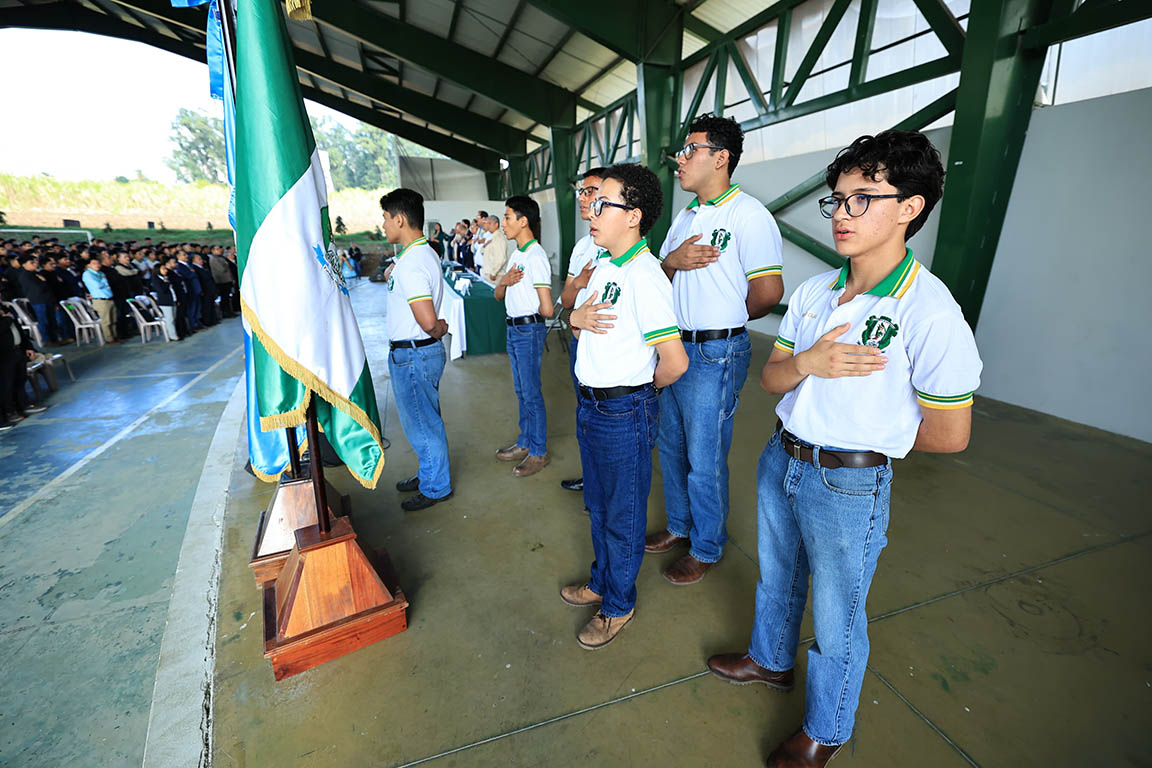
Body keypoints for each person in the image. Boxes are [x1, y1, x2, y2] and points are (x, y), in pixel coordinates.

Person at [706, 130, 983, 767]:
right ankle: (769, 660)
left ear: (910, 207)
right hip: (783, 457)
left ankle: (825, 731)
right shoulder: (814, 293)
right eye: (837, 199)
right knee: (778, 574)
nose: (842, 214)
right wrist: (809, 362)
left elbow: (950, 433)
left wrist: (868, 430)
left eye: (863, 198)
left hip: (847, 483)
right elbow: (771, 379)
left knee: (838, 616)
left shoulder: (929, 312)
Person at [647, 113, 785, 586]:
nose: (681, 160)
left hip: (714, 354)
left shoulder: (748, 215)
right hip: (674, 349)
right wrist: (672, 260)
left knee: (704, 458)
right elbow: (658, 280)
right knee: (670, 444)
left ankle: (706, 545)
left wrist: (722, 322)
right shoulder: (685, 217)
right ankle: (679, 525)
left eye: (691, 150)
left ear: (721, 158)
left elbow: (767, 293)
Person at [560, 163, 688, 649]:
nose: (591, 211)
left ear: (633, 216)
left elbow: (674, 362)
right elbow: (579, 327)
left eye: (603, 204)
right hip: (591, 405)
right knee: (598, 506)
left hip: (621, 411)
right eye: (592, 202)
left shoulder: (644, 276)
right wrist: (575, 317)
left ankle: (618, 605)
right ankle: (601, 582)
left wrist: (638, 394)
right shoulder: (605, 267)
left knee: (623, 515)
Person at [380, 189, 453, 512]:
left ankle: (436, 486)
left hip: (414, 354)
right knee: (423, 421)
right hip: (415, 353)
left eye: (386, 218)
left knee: (423, 424)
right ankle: (429, 473)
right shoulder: (418, 255)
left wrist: (440, 329)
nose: (383, 225)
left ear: (399, 219)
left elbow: (427, 321)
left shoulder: (412, 263)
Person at [557, 166, 609, 495]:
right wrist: (578, 282)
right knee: (586, 415)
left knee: (607, 420)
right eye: (581, 192)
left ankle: (602, 488)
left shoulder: (619, 245)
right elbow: (565, 300)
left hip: (607, 345)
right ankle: (591, 482)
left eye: (590, 191)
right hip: (580, 343)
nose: (582, 198)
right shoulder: (581, 247)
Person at [494, 195, 554, 477]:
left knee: (530, 392)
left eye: (507, 217)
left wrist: (532, 315)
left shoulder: (536, 257)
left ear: (523, 221)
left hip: (528, 330)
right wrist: (504, 282)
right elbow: (498, 295)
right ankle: (525, 442)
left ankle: (538, 452)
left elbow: (547, 308)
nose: (503, 223)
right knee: (521, 391)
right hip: (514, 328)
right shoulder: (517, 254)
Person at [0, 304, 49, 432]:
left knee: (20, 380)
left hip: (17, 350)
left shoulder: (5, 308)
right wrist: (7, 319)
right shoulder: (6, 316)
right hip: (4, 355)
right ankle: (10, 412)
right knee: (7, 385)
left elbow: (18, 329)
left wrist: (28, 347)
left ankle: (24, 406)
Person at [15, 255, 60, 344]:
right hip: (39, 301)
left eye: (35, 262)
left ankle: (54, 339)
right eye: (32, 263)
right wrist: (43, 282)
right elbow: (38, 288)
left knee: (51, 320)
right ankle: (47, 341)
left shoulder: (35, 273)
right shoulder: (25, 275)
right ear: (24, 265)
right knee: (43, 321)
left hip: (46, 299)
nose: (35, 264)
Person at [82, 255, 118, 344]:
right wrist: (103, 282)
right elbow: (97, 285)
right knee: (106, 321)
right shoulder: (87, 274)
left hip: (109, 298)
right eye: (94, 263)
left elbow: (106, 284)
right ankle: (109, 339)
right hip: (100, 300)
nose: (97, 265)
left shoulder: (101, 273)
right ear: (89, 265)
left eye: (98, 263)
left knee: (113, 319)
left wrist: (103, 282)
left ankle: (115, 337)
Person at [151, 261, 181, 341]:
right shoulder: (155, 279)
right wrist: (166, 283)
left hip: (172, 299)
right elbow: (162, 290)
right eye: (163, 269)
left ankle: (171, 333)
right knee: (169, 319)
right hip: (165, 302)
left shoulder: (167, 277)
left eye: (165, 269)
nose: (166, 270)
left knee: (173, 318)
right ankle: (173, 336)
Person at [480, 215, 509, 283]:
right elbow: (483, 252)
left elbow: (501, 258)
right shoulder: (491, 237)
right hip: (487, 272)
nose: (488, 225)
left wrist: (494, 273)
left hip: (494, 276)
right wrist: (484, 246)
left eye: (489, 223)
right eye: (487, 223)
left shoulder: (499, 238)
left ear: (496, 225)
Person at [209, 245, 236, 318]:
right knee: (224, 298)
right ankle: (225, 313)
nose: (219, 250)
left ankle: (229, 312)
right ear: (213, 251)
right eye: (217, 249)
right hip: (221, 281)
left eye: (219, 249)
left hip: (227, 280)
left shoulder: (221, 257)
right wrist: (226, 264)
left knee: (227, 298)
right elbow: (221, 269)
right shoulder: (213, 259)